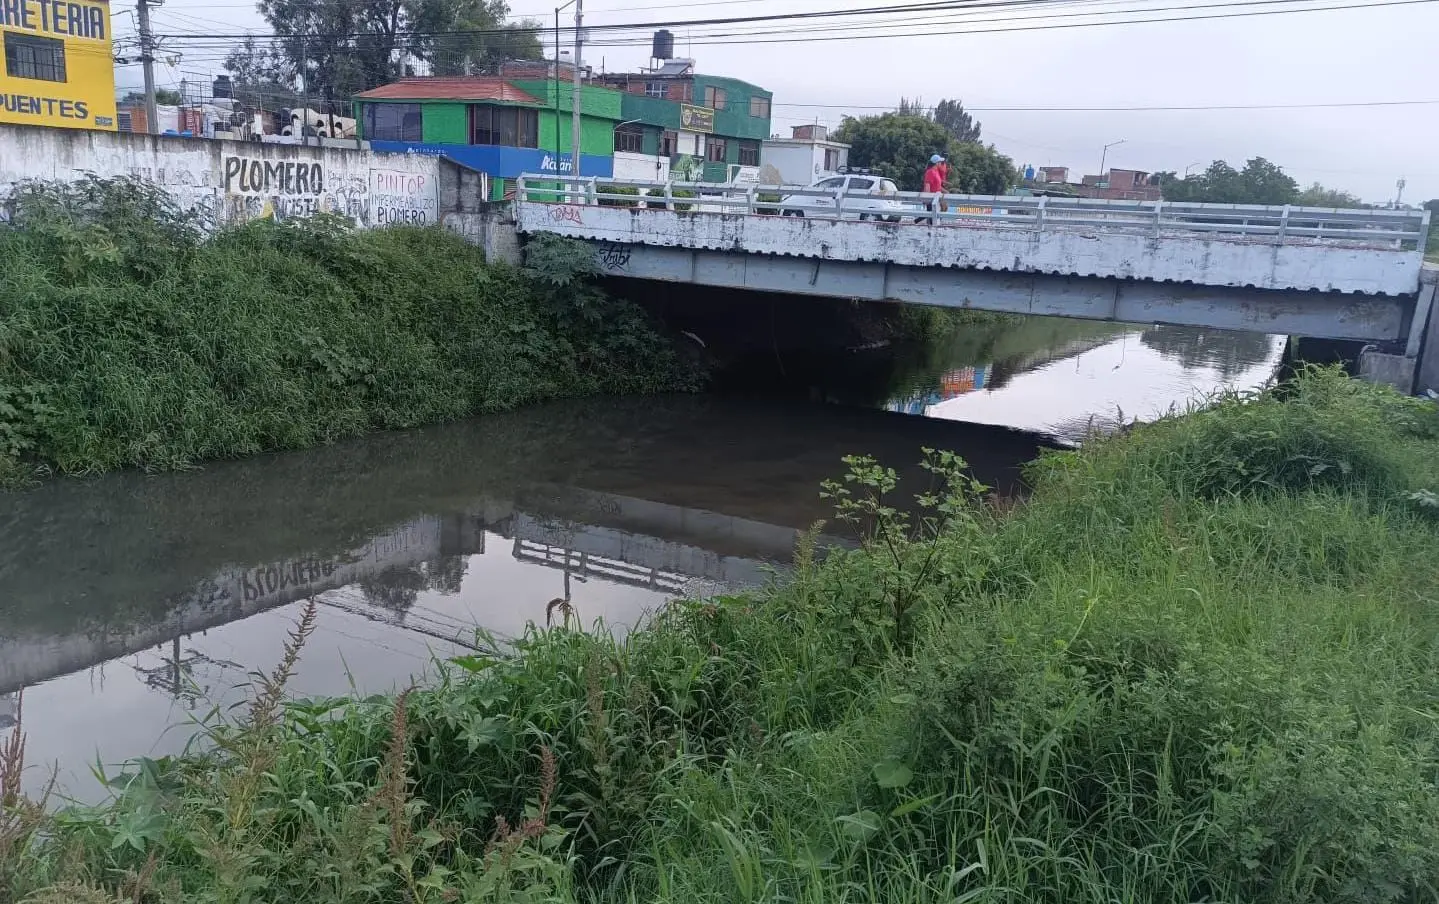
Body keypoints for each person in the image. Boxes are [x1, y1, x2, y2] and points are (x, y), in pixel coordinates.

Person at [919, 153, 949, 224]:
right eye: (940, 162)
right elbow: (927, 186)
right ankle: (916, 223)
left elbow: (938, 186)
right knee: (931, 217)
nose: (941, 163)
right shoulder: (930, 172)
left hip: (936, 197)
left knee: (938, 212)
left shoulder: (936, 172)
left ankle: (917, 222)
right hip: (932, 199)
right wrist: (927, 199)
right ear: (936, 163)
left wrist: (946, 192)